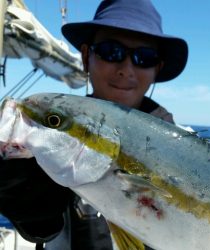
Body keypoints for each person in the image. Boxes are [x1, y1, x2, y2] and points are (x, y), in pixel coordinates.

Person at [0, 0, 188, 249]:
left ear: (158, 67)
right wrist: (30, 211)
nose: (126, 69)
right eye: (112, 51)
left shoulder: (187, 146)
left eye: (145, 57)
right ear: (87, 56)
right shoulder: (49, 136)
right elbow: (42, 230)